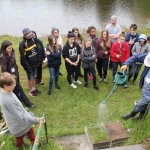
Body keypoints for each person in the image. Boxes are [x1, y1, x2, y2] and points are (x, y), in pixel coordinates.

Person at [0, 72, 45, 149]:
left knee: (31, 133)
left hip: (23, 123)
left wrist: (23, 109)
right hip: (18, 125)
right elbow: (21, 117)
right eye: (12, 84)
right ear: (5, 86)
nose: (15, 86)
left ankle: (36, 144)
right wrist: (36, 120)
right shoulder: (8, 101)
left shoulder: (4, 91)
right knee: (19, 139)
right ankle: (21, 147)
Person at [0, 40, 35, 108]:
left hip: (16, 73)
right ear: (4, 49)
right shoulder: (3, 57)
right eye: (9, 48)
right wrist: (10, 78)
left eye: (11, 47)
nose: (10, 49)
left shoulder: (12, 53)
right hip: (10, 77)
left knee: (16, 91)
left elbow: (14, 64)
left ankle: (19, 102)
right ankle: (28, 103)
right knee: (19, 89)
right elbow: (4, 70)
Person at [121, 53, 150, 120]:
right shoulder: (148, 56)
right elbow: (136, 57)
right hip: (146, 89)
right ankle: (142, 116)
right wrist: (126, 64)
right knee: (145, 104)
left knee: (139, 104)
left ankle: (131, 115)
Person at [19, 28, 41, 97]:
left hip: (35, 63)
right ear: (25, 36)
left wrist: (38, 61)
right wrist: (28, 68)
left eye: (31, 34)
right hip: (29, 65)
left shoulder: (33, 40)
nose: (31, 36)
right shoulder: (22, 44)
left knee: (34, 76)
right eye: (29, 35)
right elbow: (23, 58)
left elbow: (36, 51)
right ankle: (31, 91)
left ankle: (34, 88)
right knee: (30, 78)